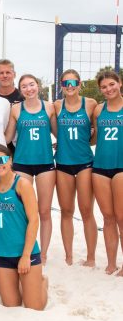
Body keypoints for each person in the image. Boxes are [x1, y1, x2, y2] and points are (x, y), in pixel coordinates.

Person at [0, 144, 48, 310]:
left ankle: (42, 282)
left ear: (10, 160)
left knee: (34, 308)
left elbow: (34, 221)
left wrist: (26, 255)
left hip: (25, 252)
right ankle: (27, 285)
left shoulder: (23, 185)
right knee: (11, 306)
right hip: (1, 253)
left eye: (1, 160)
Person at [5, 74, 56, 264]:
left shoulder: (49, 107)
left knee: (44, 211)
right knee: (24, 211)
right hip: (22, 163)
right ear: (20, 89)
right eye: (24, 86)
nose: (29, 89)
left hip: (45, 163)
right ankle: (24, 248)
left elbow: (58, 133)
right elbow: (8, 138)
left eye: (31, 84)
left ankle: (43, 254)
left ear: (38, 86)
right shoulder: (16, 109)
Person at [54, 69, 98, 266]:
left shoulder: (90, 104)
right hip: (63, 163)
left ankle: (90, 257)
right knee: (66, 211)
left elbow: (96, 132)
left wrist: (84, 142)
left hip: (85, 163)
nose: (69, 86)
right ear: (61, 86)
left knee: (87, 211)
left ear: (79, 84)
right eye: (65, 83)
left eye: (73, 82)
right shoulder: (56, 106)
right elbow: (55, 131)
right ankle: (69, 256)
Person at [91, 70, 123, 275]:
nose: (108, 89)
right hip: (100, 166)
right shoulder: (98, 110)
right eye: (104, 87)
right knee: (108, 218)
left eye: (112, 84)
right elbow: (94, 138)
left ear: (119, 83)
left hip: (121, 167)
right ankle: (111, 263)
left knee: (121, 217)